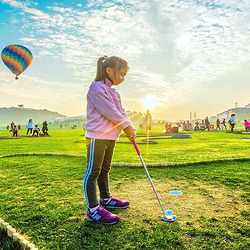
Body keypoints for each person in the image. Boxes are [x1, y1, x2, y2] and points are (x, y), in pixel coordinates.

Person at [83, 56, 136, 225]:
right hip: (97, 136)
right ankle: (93, 209)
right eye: (121, 74)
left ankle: (105, 199)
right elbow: (110, 111)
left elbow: (121, 112)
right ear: (109, 70)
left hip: (110, 136)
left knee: (105, 169)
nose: (122, 78)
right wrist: (125, 126)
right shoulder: (96, 88)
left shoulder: (114, 92)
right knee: (93, 172)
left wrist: (130, 127)